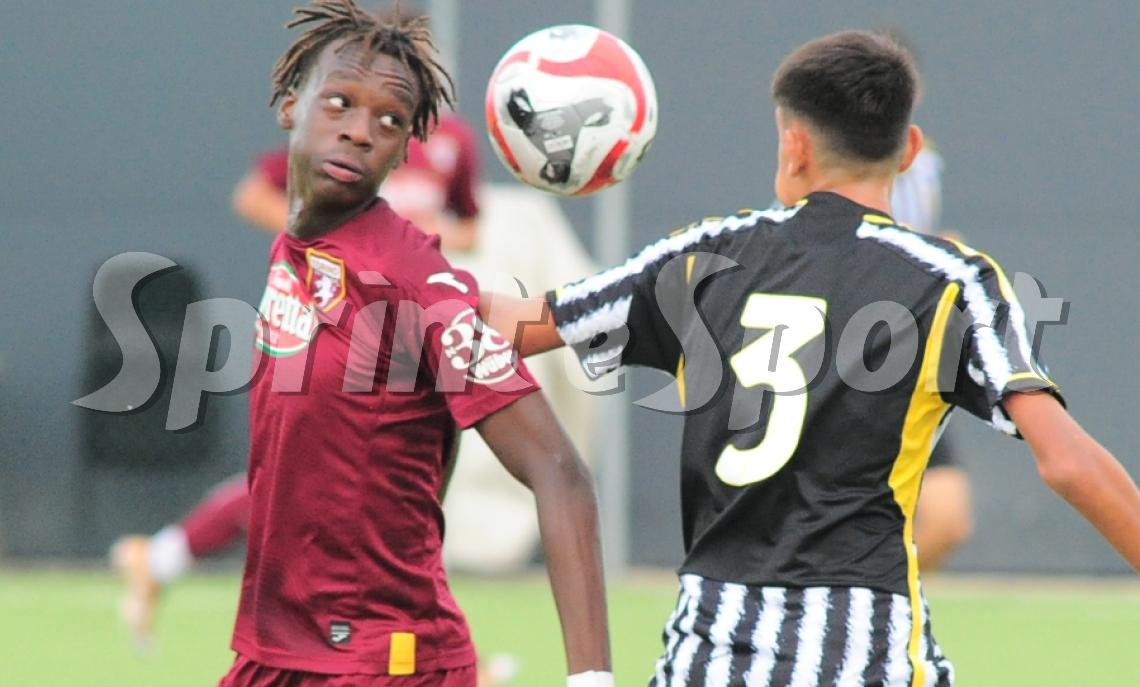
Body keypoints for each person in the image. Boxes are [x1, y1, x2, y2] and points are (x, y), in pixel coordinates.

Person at [482, 30, 1140, 685]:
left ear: (793, 145)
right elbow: (1066, 461)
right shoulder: (952, 281)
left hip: (708, 656)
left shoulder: (701, 257)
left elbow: (513, 324)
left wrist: (402, 257)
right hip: (865, 654)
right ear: (908, 150)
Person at [196, 2, 610, 685]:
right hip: (280, 650)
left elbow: (560, 469)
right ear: (290, 107)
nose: (361, 131)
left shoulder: (410, 278)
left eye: (390, 121)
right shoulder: (300, 242)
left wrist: (591, 678)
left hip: (381, 660)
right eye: (340, 103)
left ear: (406, 144)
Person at [890, 144, 975, 571]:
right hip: (841, 362)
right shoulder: (812, 150)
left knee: (947, 518)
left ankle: (877, 600)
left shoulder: (922, 165)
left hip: (905, 359)